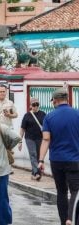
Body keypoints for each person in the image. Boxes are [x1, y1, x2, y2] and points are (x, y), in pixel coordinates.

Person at [38, 88, 79, 225]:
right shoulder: (77, 114)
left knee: (61, 191)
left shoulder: (49, 117)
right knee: (75, 191)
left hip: (56, 160)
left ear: (55, 101)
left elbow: (46, 139)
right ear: (67, 99)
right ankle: (71, 219)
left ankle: (63, 221)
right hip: (75, 160)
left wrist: (40, 160)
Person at [19, 97, 46, 180]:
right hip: (29, 138)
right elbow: (22, 129)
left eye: (37, 104)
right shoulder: (27, 115)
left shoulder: (43, 114)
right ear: (30, 105)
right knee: (33, 154)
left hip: (40, 138)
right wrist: (20, 141)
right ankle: (37, 172)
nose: (35, 106)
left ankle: (34, 173)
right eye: (34, 105)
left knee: (39, 156)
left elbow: (46, 127)